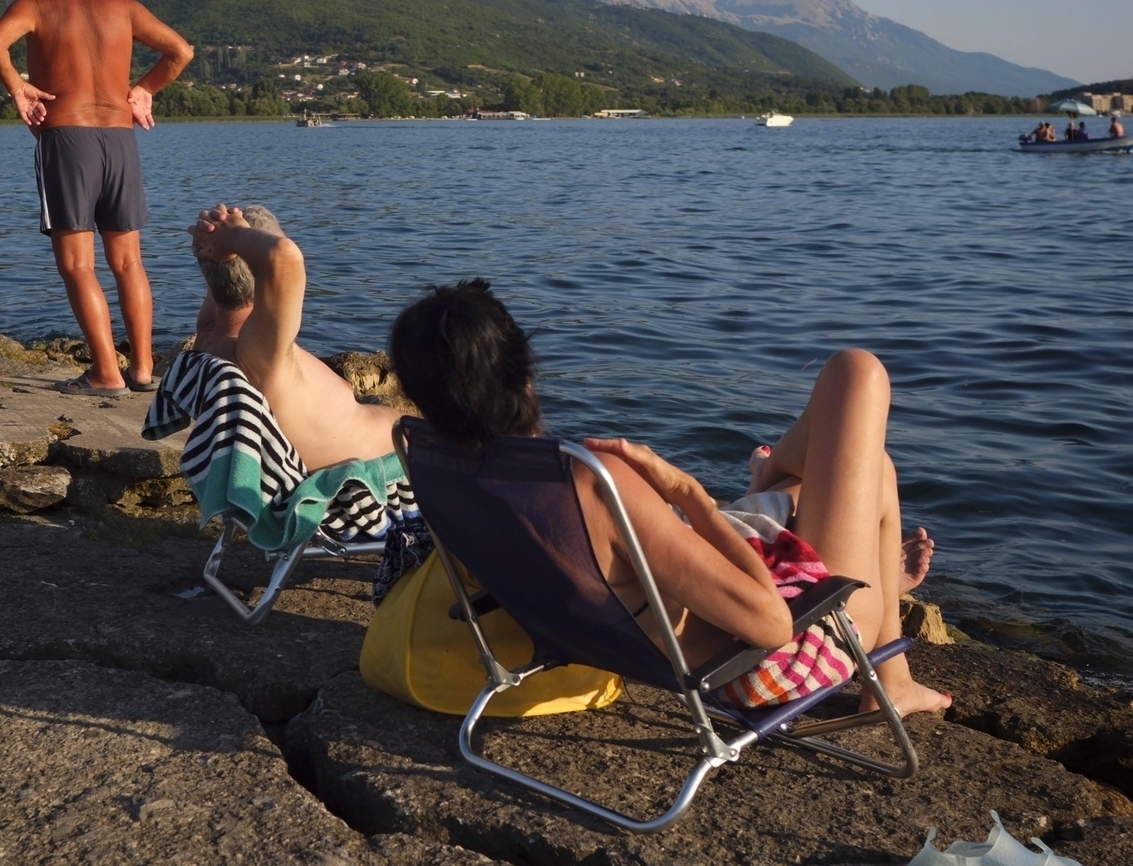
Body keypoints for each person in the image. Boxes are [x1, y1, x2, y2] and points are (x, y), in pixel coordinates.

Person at [388, 280, 950, 718]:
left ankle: (776, 488)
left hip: (648, 643)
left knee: (850, 469)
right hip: (768, 663)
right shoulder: (591, 481)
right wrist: (688, 493)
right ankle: (889, 675)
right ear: (526, 373)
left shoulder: (448, 470)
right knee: (858, 382)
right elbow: (772, 627)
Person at [0, 0, 194, 395]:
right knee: (129, 262)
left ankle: (105, 373)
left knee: (78, 264)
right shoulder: (122, 5)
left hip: (67, 136)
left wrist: (18, 87)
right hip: (119, 137)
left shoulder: (37, 4)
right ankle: (142, 369)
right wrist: (144, 90)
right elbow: (181, 50)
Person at [186, 204, 401, 469]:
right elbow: (284, 256)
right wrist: (232, 238)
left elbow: (224, 278)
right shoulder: (259, 347)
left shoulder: (212, 327)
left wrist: (212, 245)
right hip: (395, 465)